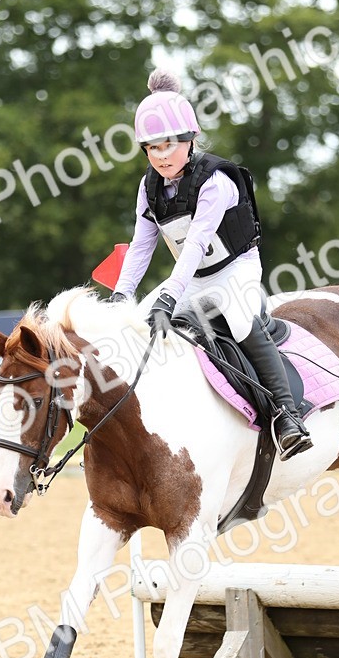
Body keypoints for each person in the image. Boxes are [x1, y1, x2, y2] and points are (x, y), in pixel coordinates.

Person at [110, 69, 312, 460]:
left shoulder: (216, 181)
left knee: (238, 320)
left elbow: (196, 243)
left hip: (236, 270)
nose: (161, 156)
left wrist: (169, 295)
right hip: (195, 278)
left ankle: (288, 414)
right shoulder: (147, 186)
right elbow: (141, 245)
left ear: (190, 140)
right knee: (135, 326)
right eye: (152, 148)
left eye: (169, 145)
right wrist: (122, 295)